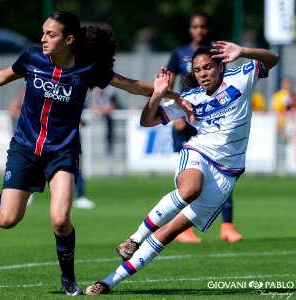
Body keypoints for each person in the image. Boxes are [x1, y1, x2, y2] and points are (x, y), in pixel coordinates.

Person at [0, 11, 191, 296]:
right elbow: (2, 76)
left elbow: (131, 85)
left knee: (60, 219)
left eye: (51, 34)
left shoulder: (88, 68)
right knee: (8, 220)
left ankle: (68, 279)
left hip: (63, 151)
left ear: (68, 39)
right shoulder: (32, 59)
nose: (43, 39)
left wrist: (169, 94)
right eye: (43, 33)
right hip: (25, 148)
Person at [85, 41, 279, 295]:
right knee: (189, 189)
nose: (203, 74)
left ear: (221, 66)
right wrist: (157, 94)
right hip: (199, 153)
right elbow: (147, 121)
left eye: (208, 67)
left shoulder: (241, 77)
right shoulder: (190, 97)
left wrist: (243, 52)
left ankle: (109, 282)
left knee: (168, 233)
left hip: (227, 174)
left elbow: (273, 58)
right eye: (198, 70)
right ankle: (134, 239)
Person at [166, 9, 242, 243]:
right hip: (186, 119)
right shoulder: (179, 53)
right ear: (190, 30)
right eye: (195, 27)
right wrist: (176, 114)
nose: (199, 31)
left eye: (203, 27)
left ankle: (227, 226)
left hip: (212, 118)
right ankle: (183, 228)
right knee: (190, 176)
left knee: (222, 172)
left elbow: (227, 83)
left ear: (208, 29)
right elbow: (167, 84)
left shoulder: (217, 53)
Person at [88, 86, 119, 175]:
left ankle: (110, 168)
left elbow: (111, 107)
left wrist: (99, 109)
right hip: (98, 128)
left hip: (110, 127)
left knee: (110, 145)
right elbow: (91, 106)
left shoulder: (111, 94)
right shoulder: (94, 95)